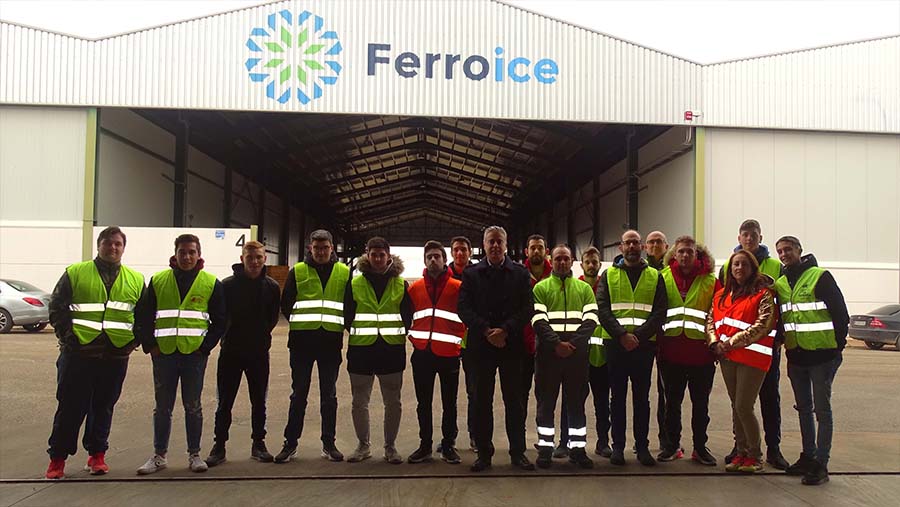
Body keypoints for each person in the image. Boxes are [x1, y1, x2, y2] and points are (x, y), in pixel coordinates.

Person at [44, 227, 145, 479]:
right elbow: (57, 306)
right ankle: (57, 459)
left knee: (103, 406)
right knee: (70, 407)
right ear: (99, 245)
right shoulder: (75, 273)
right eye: (108, 243)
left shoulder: (135, 279)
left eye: (118, 244)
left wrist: (133, 341)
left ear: (123, 248)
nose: (113, 248)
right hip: (78, 355)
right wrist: (69, 338)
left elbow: (142, 315)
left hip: (115, 356)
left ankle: (97, 456)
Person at [135, 234, 226, 474]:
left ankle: (194, 454)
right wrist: (150, 346)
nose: (186, 257)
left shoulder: (210, 282)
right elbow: (143, 316)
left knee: (193, 406)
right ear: (175, 254)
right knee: (162, 406)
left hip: (194, 356)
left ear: (199, 255)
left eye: (191, 252)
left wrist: (205, 348)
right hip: (163, 354)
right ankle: (159, 455)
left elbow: (220, 320)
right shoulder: (158, 280)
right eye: (182, 252)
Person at [458, 226, 535, 472]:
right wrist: (486, 331)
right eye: (490, 242)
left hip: (511, 346)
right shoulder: (471, 274)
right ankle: (484, 453)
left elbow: (527, 308)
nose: (495, 246)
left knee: (515, 401)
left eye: (499, 241)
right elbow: (464, 309)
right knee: (481, 401)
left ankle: (518, 452)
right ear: (484, 245)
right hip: (481, 348)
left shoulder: (520, 274)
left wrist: (505, 330)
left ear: (505, 244)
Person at [774, 236, 849, 485]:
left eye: (788, 250)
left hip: (822, 357)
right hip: (796, 357)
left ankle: (821, 464)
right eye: (780, 251)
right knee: (803, 409)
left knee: (822, 411)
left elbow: (840, 313)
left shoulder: (819, 276)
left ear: (799, 251)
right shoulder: (782, 283)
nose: (784, 254)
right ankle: (808, 455)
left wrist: (837, 347)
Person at [275, 230, 350, 463]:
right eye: (316, 248)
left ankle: (329, 443)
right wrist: (302, 323)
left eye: (325, 247)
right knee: (299, 394)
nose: (320, 252)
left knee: (329, 395)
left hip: (330, 343)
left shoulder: (344, 272)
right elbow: (286, 303)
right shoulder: (297, 271)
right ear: (310, 248)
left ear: (332, 248)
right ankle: (290, 443)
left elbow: (349, 304)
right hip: (302, 344)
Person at [718, 219, 788, 470]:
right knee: (739, 403)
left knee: (768, 399)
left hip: (762, 349)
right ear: (739, 238)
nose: (749, 238)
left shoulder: (775, 266)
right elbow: (721, 309)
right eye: (745, 235)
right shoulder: (727, 265)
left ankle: (772, 449)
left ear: (760, 237)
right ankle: (741, 449)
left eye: (753, 235)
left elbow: (781, 305)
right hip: (732, 353)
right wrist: (719, 343)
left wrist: (779, 338)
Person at [205, 241, 280, 467]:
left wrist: (260, 336)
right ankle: (219, 446)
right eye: (250, 258)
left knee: (259, 401)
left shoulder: (272, 287)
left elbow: (273, 318)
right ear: (242, 259)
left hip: (258, 353)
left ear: (265, 258)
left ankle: (259, 444)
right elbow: (219, 315)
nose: (255, 262)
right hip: (231, 352)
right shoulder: (226, 286)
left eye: (258, 257)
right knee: (224, 402)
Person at [596, 230, 667, 467]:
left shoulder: (655, 276)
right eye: (628, 243)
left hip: (643, 347)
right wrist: (622, 336)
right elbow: (602, 309)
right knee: (617, 398)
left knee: (641, 399)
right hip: (615, 345)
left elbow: (659, 312)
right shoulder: (609, 275)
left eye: (636, 243)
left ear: (643, 247)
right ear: (620, 247)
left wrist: (637, 336)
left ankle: (642, 447)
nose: (632, 247)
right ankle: (617, 447)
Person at [707, 249, 777, 474]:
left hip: (752, 358)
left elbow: (763, 324)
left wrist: (732, 342)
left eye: (744, 265)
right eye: (735, 264)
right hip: (728, 358)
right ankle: (741, 452)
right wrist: (714, 342)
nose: (739, 268)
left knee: (744, 406)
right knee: (736, 407)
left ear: (752, 268)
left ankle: (755, 456)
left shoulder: (762, 294)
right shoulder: (721, 295)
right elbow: (711, 319)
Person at [343, 237, 412, 464]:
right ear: (367, 255)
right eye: (374, 254)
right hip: (361, 350)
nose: (378, 258)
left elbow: (407, 316)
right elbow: (347, 315)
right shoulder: (353, 283)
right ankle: (363, 446)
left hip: (391, 351)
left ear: (389, 257)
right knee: (359, 402)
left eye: (382, 255)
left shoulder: (401, 285)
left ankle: (390, 448)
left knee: (393, 402)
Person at [531, 245, 598, 469]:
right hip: (548, 357)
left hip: (576, 358)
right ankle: (545, 450)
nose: (561, 262)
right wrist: (557, 344)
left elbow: (591, 321)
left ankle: (577, 450)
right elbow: (538, 321)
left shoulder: (584, 289)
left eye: (565, 259)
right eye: (558, 258)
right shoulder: (541, 288)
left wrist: (572, 345)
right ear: (552, 260)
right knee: (546, 404)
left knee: (576, 404)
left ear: (572, 261)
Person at [656, 236, 720, 466]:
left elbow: (719, 314)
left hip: (701, 354)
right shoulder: (661, 277)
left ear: (697, 255)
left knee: (700, 405)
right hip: (670, 354)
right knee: (671, 404)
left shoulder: (711, 281)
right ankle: (672, 446)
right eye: (681, 252)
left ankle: (700, 447)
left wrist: (717, 347)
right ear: (674, 254)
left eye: (689, 252)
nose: (684, 256)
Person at [406, 241, 466, 465]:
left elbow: (466, 317)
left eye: (437, 256)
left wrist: (458, 341)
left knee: (449, 403)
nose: (433, 260)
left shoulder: (457, 287)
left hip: (449, 353)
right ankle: (425, 445)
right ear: (424, 260)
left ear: (444, 260)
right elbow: (406, 317)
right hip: (422, 354)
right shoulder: (414, 289)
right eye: (429, 256)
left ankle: (448, 445)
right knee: (424, 403)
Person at [579, 246, 612, 458]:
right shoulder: (576, 287)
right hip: (579, 356)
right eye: (587, 262)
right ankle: (572, 443)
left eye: (594, 262)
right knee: (575, 403)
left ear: (600, 264)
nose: (591, 265)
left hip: (602, 356)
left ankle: (603, 442)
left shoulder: (607, 287)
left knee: (602, 403)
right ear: (581, 264)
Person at [449, 236, 477, 453]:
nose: (460, 253)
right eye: (456, 250)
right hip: (448, 340)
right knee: (449, 394)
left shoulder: (478, 274)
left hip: (472, 342)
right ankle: (448, 439)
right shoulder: (443, 275)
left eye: (463, 250)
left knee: (474, 392)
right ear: (451, 252)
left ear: (470, 252)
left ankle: (475, 436)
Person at [521, 234, 551, 440]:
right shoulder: (517, 275)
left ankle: (544, 440)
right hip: (522, 346)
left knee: (545, 397)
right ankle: (519, 439)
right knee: (519, 396)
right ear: (527, 251)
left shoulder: (556, 276)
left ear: (546, 251)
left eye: (540, 247)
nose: (536, 251)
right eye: (533, 248)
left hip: (548, 346)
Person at [645, 230, 671, 452]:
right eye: (651, 242)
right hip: (642, 338)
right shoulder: (639, 270)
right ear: (645, 246)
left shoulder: (671, 271)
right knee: (641, 392)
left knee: (665, 391)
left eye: (659, 242)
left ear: (666, 246)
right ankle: (640, 440)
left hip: (666, 339)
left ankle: (666, 438)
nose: (655, 245)